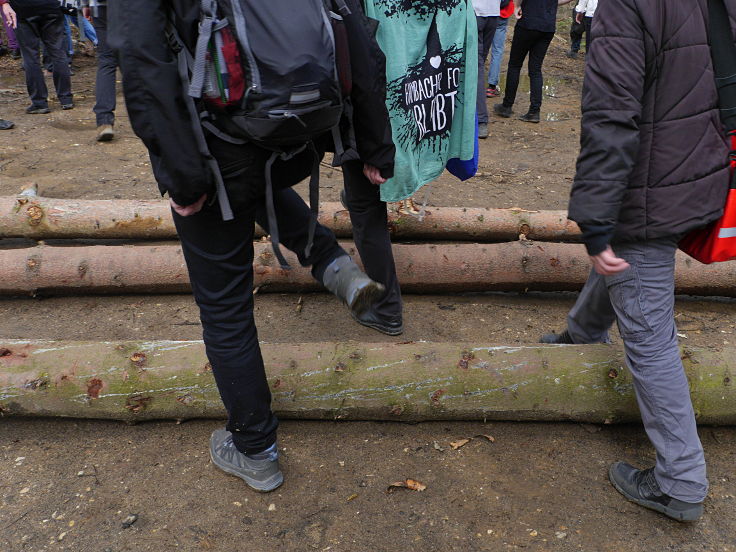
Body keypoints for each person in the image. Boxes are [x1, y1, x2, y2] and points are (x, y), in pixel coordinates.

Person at [109, 0, 396, 492]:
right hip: (296, 134)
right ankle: (332, 263)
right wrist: (373, 141)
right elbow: (354, 30)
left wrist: (183, 179)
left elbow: (141, 59)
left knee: (225, 308)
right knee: (256, 185)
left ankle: (254, 447)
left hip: (218, 146)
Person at [540, 0, 734, 522]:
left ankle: (681, 482)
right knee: (620, 264)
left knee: (649, 334)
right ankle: (581, 334)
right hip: (702, 170)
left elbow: (610, 112)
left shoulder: (630, 4)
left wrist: (597, 217)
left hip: (652, 187)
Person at [493, 0, 573, 123]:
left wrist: (517, 5)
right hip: (547, 26)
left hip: (528, 22)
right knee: (535, 69)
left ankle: (506, 106)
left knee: (515, 65)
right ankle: (534, 111)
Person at [0, 0, 73, 113]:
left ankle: (39, 103)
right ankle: (66, 99)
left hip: (23, 9)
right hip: (50, 8)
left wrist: (4, 3)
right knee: (58, 52)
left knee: (30, 56)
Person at [81, 0, 117, 141]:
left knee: (107, 61)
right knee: (135, 57)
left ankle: (104, 121)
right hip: (133, 7)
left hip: (101, 6)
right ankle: (148, 115)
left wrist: (85, 4)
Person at [473, 0, 501, 139]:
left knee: (477, 67)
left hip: (476, 13)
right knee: (478, 64)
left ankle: (481, 120)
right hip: (492, 14)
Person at [486, 0, 514, 98]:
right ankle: (492, 87)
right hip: (502, 14)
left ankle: (473, 83)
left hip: (484, 12)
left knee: (479, 49)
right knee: (497, 51)